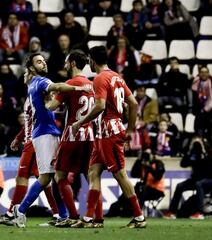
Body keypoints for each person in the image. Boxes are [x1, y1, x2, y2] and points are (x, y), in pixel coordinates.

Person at [71, 46, 146, 228]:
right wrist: (130, 129)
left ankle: (139, 217)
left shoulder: (100, 78)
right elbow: (134, 103)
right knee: (93, 172)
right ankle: (91, 219)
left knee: (120, 175)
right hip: (104, 133)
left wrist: (80, 122)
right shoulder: (116, 77)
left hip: (109, 132)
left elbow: (100, 106)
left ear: (92, 60)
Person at [11, 53, 90, 228]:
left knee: (56, 176)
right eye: (39, 61)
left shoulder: (33, 85)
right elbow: (58, 86)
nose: (43, 63)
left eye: (44, 60)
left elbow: (48, 106)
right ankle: (21, 210)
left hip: (48, 131)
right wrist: (78, 88)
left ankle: (62, 216)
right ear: (31, 68)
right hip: (45, 133)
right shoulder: (41, 81)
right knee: (47, 176)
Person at [0, 69, 60, 226]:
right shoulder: (30, 95)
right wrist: (19, 137)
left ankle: (12, 214)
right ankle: (57, 214)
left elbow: (40, 118)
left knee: (27, 177)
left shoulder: (37, 93)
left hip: (34, 141)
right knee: (44, 179)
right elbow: (31, 122)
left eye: (27, 72)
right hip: (32, 140)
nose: (24, 75)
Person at [45, 50, 103, 227]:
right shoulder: (91, 84)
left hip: (72, 135)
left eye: (66, 61)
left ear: (71, 64)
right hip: (90, 136)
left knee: (60, 176)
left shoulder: (70, 84)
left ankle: (73, 215)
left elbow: (51, 107)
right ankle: (98, 218)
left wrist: (45, 98)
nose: (64, 64)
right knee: (92, 178)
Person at [164, 136, 212, 220]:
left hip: (210, 180)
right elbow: (183, 164)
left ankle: (200, 213)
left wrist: (204, 152)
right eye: (194, 142)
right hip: (196, 180)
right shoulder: (192, 154)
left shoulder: (208, 152)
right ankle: (172, 212)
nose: (196, 144)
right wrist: (188, 152)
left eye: (198, 142)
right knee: (180, 186)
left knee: (199, 184)